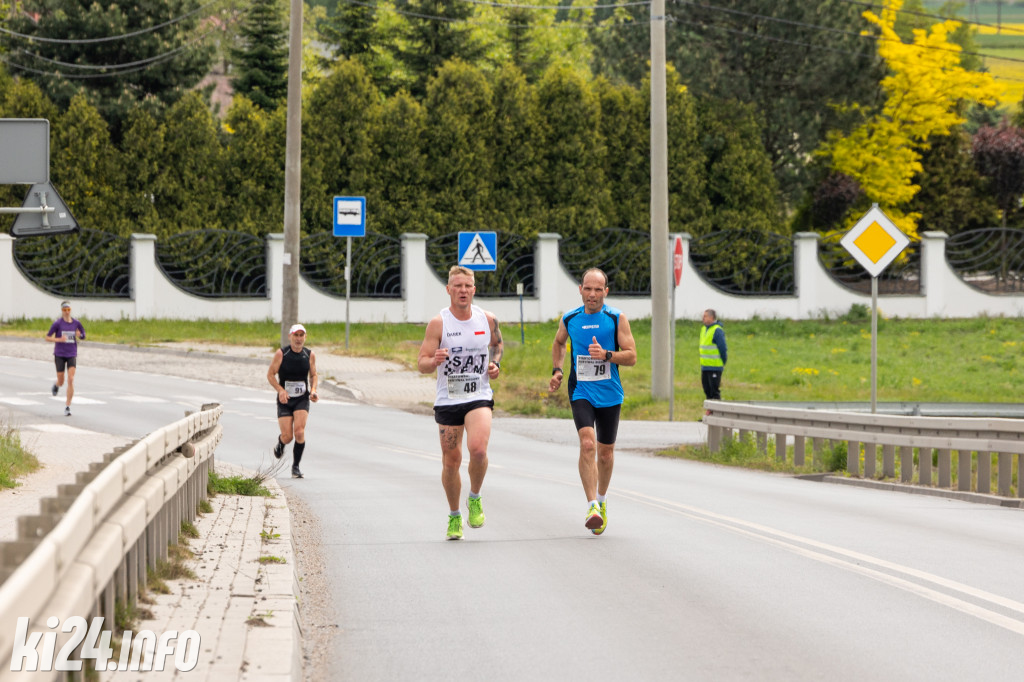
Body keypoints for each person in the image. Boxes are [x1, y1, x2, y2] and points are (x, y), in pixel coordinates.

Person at [417, 266, 503, 541]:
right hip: (449, 398)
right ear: (449, 290)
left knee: (478, 450)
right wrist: (435, 360)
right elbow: (422, 363)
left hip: (478, 395)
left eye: (467, 286)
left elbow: (498, 345)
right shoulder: (438, 323)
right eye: (457, 286)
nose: (463, 291)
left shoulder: (487, 319)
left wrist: (495, 364)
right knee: (451, 462)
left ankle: (474, 498)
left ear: (474, 289)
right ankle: (454, 516)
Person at [549, 268, 636, 536]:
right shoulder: (570, 318)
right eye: (588, 289)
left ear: (606, 292)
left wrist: (607, 355)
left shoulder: (615, 318)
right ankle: (591, 507)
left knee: (606, 453)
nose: (592, 295)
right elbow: (559, 343)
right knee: (587, 443)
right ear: (580, 290)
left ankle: (602, 499)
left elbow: (631, 356)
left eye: (598, 290)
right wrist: (558, 371)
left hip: (610, 393)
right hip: (581, 391)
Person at [267, 323, 319, 478]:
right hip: (285, 399)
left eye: (301, 335)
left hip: (302, 398)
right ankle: (281, 443)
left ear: (305, 337)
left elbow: (314, 375)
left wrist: (314, 390)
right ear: (290, 336)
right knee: (288, 436)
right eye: (295, 335)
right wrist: (280, 390)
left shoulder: (309, 355)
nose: (298, 339)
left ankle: (296, 467)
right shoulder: (282, 354)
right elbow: (270, 375)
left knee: (299, 432)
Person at [45, 301, 86, 417]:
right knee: (62, 380)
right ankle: (57, 385)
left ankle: (67, 406)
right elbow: (47, 337)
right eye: (64, 310)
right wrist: (59, 340)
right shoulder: (57, 323)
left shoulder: (76, 323)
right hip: (59, 354)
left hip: (72, 353)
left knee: (71, 379)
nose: (67, 312)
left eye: (68, 310)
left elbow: (83, 335)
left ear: (70, 310)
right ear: (62, 311)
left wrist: (80, 335)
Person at [700, 309, 727, 415]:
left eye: (705, 316)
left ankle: (718, 412)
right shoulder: (703, 329)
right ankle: (710, 411)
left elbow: (723, 348)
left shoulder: (717, 330)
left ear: (712, 318)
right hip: (705, 366)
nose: (703, 318)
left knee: (714, 390)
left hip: (715, 366)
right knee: (707, 389)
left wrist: (722, 361)